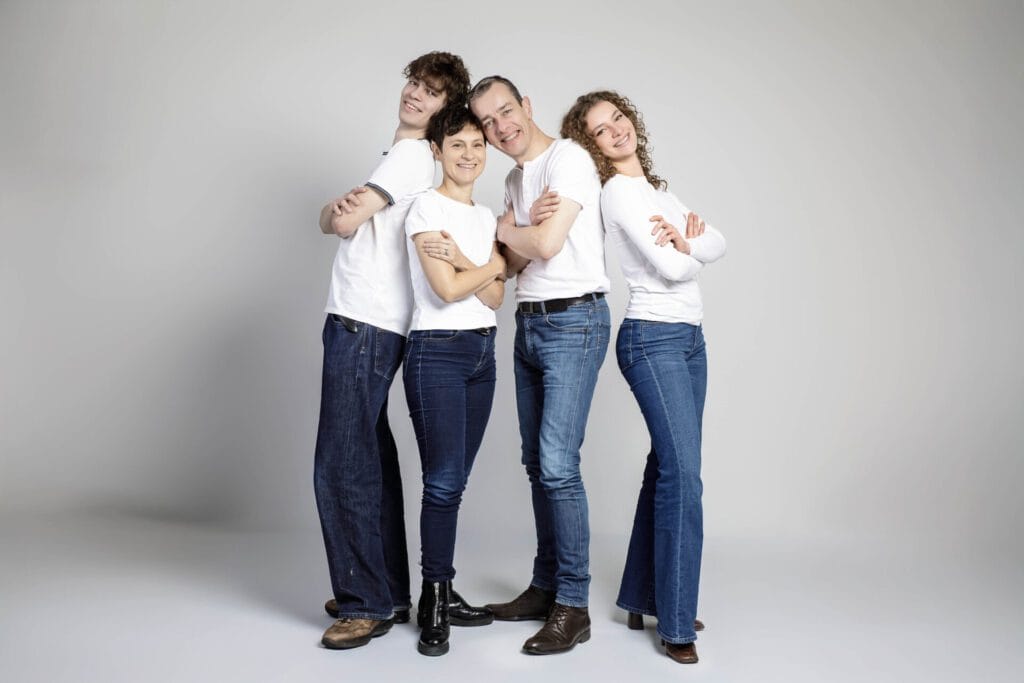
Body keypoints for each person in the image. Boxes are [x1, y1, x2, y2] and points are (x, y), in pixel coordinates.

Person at [560, 90, 726, 664]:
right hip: (652, 339)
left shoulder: (657, 190)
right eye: (602, 131)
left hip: (690, 340)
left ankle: (643, 596)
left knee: (665, 467)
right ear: (594, 148)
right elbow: (676, 264)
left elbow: (718, 241)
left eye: (619, 120)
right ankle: (677, 622)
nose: (617, 131)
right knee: (684, 474)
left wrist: (693, 241)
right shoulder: (619, 193)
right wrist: (689, 242)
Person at [313, 51, 470, 651]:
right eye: (414, 82)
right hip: (379, 323)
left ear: (443, 108)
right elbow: (336, 218)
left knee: (342, 461)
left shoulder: (410, 154)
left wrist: (335, 212)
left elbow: (339, 220)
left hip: (364, 321)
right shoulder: (406, 157)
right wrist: (335, 214)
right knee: (368, 458)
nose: (415, 94)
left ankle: (366, 601)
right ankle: (382, 588)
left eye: (431, 92)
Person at [460, 76, 611, 655]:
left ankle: (573, 605)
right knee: (535, 463)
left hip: (575, 320)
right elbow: (514, 266)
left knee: (557, 464)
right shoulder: (516, 178)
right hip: (530, 322)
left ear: (527, 106)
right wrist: (521, 235)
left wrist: (507, 228)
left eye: (506, 111)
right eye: (488, 122)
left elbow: (542, 247)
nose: (501, 127)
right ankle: (546, 587)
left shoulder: (568, 159)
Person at [402, 104, 506, 656]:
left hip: (481, 356)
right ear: (437, 151)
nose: (469, 154)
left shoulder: (486, 217)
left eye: (477, 145)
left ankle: (440, 589)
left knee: (455, 485)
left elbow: (494, 297)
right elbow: (445, 291)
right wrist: (492, 267)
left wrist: (475, 262)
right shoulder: (424, 207)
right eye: (457, 144)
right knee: (442, 484)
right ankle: (435, 602)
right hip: (436, 355)